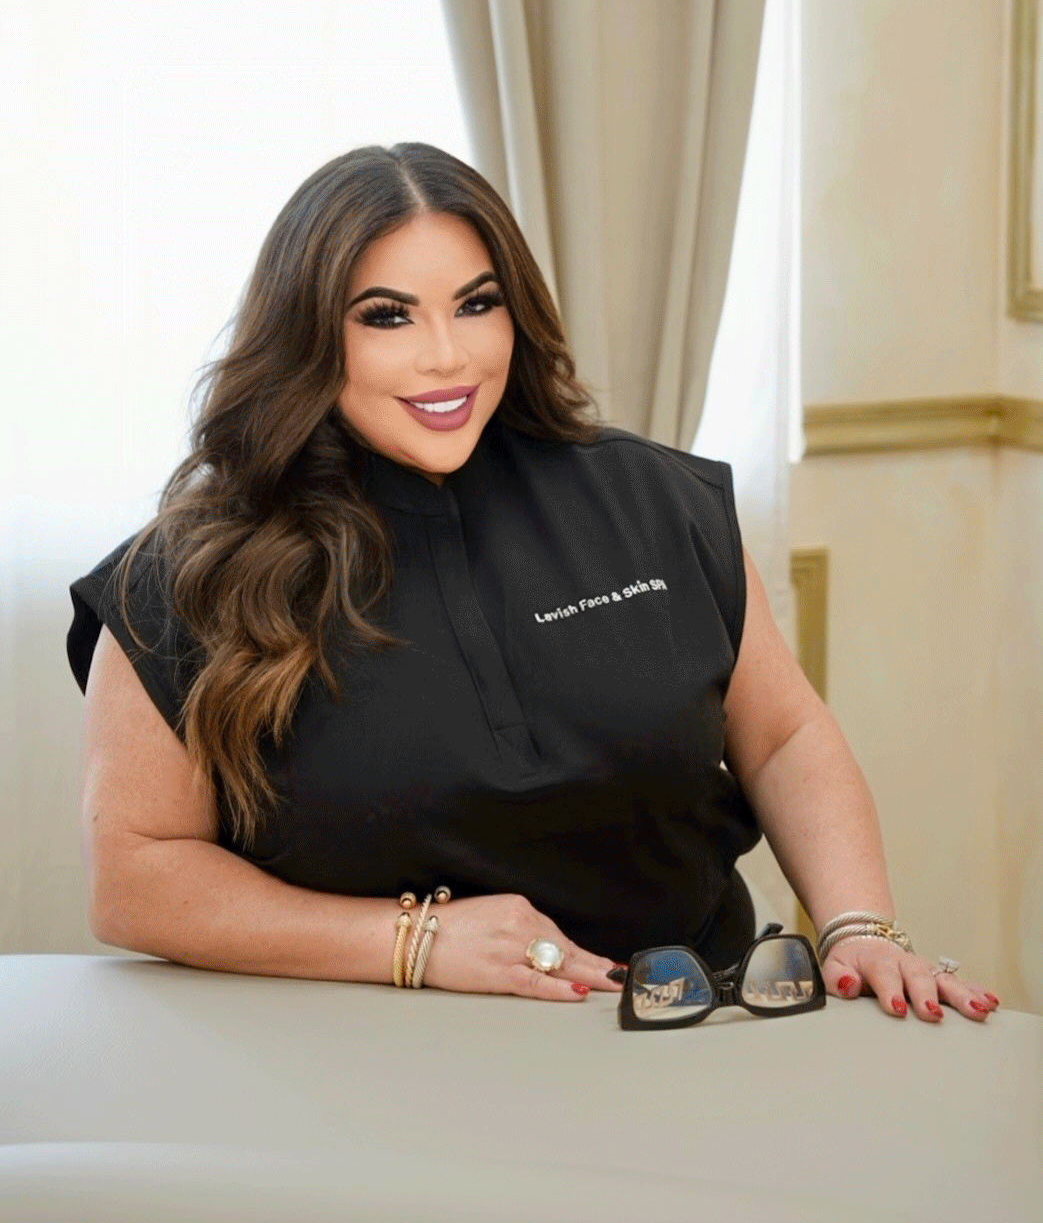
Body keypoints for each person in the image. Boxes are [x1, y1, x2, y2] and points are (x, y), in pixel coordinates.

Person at [67, 142, 1000, 1025]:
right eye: (387, 316)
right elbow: (136, 874)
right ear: (309, 336)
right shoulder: (188, 574)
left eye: (476, 305)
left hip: (689, 1033)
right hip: (359, 1058)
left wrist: (858, 928)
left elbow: (782, 733)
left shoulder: (651, 498)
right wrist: (417, 943)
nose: (447, 355)